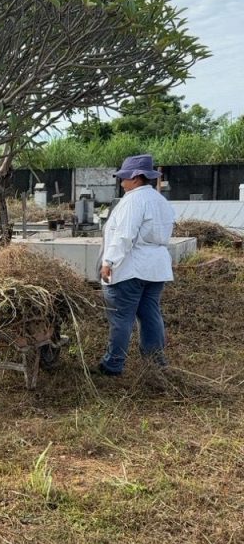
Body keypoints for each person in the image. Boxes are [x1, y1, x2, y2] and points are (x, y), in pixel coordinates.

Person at [93, 154, 176, 377]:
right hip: (155, 269)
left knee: (121, 317)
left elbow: (124, 235)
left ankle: (113, 364)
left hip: (131, 267)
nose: (122, 183)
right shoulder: (160, 201)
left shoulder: (133, 201)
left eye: (125, 178)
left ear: (136, 178)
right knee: (150, 315)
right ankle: (155, 363)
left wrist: (109, 262)